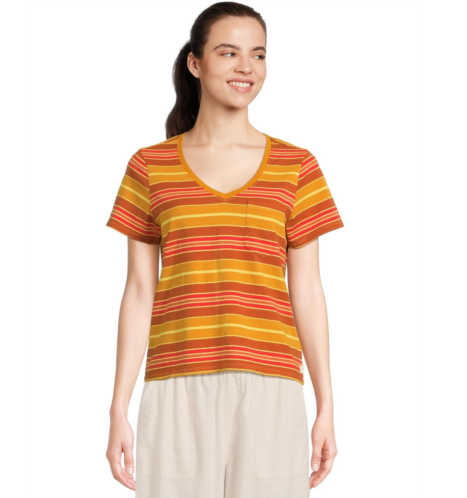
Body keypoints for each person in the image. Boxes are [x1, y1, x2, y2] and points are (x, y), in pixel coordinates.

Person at [105, 2, 344, 497]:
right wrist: (118, 408)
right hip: (175, 383)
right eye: (229, 52)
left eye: (258, 54)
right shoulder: (149, 166)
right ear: (195, 63)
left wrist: (326, 406)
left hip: (272, 385)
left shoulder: (297, 166)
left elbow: (307, 290)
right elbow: (139, 291)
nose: (246, 68)